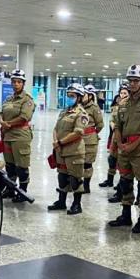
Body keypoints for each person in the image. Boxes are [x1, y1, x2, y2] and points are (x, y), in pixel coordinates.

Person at [108, 65, 140, 233]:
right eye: (130, 81)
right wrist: (119, 144)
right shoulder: (123, 103)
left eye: (136, 81)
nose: (132, 84)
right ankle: (125, 215)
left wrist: (133, 145)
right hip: (124, 149)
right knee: (125, 182)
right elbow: (117, 125)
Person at [48, 83, 89, 215]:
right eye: (68, 95)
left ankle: (77, 204)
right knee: (62, 177)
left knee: (75, 179)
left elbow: (78, 132)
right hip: (61, 151)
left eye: (72, 96)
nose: (69, 98)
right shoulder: (64, 111)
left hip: (74, 151)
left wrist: (60, 142)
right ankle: (61, 201)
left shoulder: (82, 114)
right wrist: (55, 142)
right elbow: (56, 128)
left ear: (79, 98)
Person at [0, 69, 36, 203]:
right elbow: (1, 112)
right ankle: (10, 189)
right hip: (7, 136)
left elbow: (25, 116)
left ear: (23, 83)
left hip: (20, 136)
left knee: (21, 166)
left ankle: (23, 191)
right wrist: (2, 121)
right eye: (14, 82)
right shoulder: (9, 98)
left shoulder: (27, 100)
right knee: (10, 165)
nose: (16, 84)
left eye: (19, 82)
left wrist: (8, 123)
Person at [100, 84, 129, 190]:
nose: (123, 95)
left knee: (123, 162)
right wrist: (113, 126)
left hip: (125, 138)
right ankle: (109, 180)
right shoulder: (116, 107)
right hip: (115, 137)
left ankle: (121, 183)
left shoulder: (131, 107)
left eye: (125, 93)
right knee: (112, 159)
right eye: (121, 93)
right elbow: (112, 119)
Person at [81, 83, 104, 193]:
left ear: (90, 96)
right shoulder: (77, 105)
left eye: (84, 94)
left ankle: (86, 185)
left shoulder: (94, 108)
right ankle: (75, 184)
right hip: (77, 138)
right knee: (76, 162)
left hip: (90, 140)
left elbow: (100, 124)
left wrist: (92, 133)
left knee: (87, 163)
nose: (82, 96)